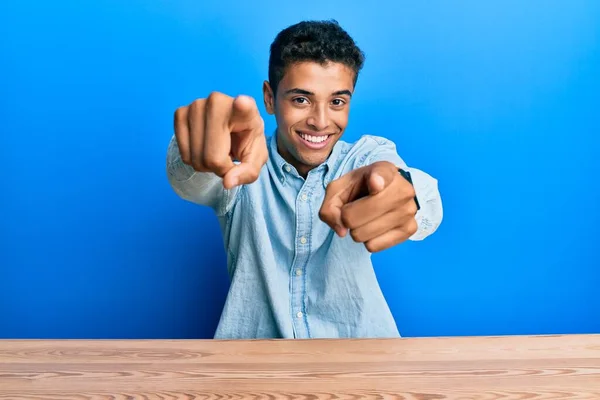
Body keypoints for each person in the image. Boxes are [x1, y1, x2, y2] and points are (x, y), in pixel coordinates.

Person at [166, 19, 443, 339]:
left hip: (364, 369)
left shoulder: (366, 156)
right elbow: (186, 177)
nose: (320, 121)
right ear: (269, 98)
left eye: (337, 101)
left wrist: (401, 188)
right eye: (301, 99)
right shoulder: (241, 164)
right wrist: (204, 143)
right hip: (254, 374)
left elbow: (422, 199)